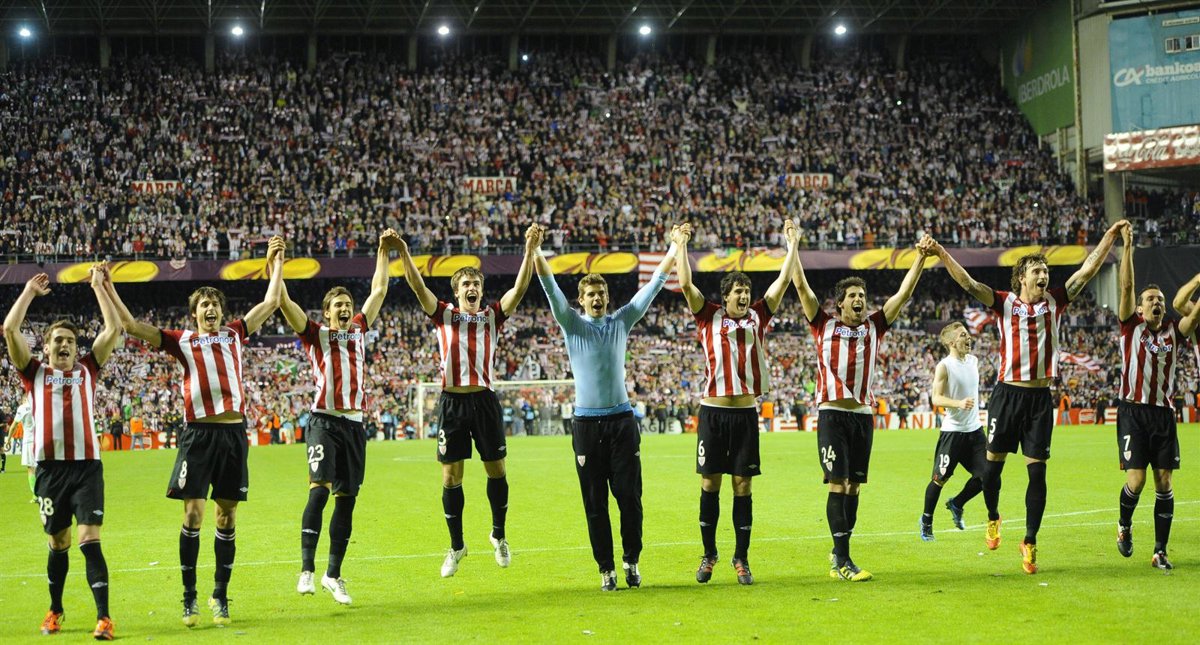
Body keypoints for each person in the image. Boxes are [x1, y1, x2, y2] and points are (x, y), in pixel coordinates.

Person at [928, 220, 1127, 574]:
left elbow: (1087, 270)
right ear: (1022, 277)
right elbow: (969, 283)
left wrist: (1110, 237)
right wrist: (942, 252)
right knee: (991, 470)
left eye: (1046, 271)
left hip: (1039, 400)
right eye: (1037, 270)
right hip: (1007, 395)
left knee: (1038, 474)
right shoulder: (1004, 303)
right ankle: (993, 516)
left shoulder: (1055, 301)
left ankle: (1030, 541)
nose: (1043, 275)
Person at [105, 237, 285, 625]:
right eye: (204, 304)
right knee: (192, 514)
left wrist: (276, 261)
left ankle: (220, 596)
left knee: (226, 517)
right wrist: (108, 286)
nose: (211, 308)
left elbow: (271, 302)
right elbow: (131, 326)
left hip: (233, 435)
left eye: (215, 303)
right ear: (194, 314)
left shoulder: (235, 333)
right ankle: (189, 598)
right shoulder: (182, 341)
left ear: (221, 311)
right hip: (198, 436)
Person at [536, 222, 681, 591]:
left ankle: (631, 560)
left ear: (607, 297)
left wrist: (674, 247)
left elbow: (653, 286)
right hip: (586, 425)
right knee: (595, 503)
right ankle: (606, 568)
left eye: (601, 292)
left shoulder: (621, 321)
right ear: (581, 300)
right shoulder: (571, 324)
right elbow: (550, 288)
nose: (597, 298)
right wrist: (535, 250)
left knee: (630, 498)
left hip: (621, 421)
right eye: (591, 294)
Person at [395, 224, 542, 577]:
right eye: (466, 284)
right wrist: (403, 251)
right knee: (450, 477)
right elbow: (417, 285)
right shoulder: (443, 314)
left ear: (481, 290)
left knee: (497, 470)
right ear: (457, 291)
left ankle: (499, 535)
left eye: (476, 283)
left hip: (485, 402)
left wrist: (529, 251)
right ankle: (457, 545)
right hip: (452, 403)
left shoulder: (492, 316)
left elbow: (520, 288)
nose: (472, 288)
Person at [792, 236, 933, 582]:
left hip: (862, 417)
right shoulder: (822, 324)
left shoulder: (874, 326)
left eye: (862, 296)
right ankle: (843, 561)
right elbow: (801, 286)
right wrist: (792, 245)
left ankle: (839, 552)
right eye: (853, 296)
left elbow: (903, 294)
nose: (859, 300)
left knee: (854, 488)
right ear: (840, 303)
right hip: (831, 415)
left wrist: (920, 258)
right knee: (837, 485)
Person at [673, 219, 798, 585]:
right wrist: (680, 244)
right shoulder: (708, 315)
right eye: (738, 291)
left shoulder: (759, 314)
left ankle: (741, 558)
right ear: (725, 296)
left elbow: (783, 281)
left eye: (747, 291)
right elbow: (685, 284)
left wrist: (792, 244)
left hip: (744, 413)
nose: (744, 296)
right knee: (710, 483)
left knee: (743, 485)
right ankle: (709, 553)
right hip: (713, 412)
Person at [281, 229, 401, 604]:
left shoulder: (360, 329)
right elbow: (284, 303)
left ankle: (333, 575)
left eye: (348, 303)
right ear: (327, 313)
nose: (346, 308)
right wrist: (276, 264)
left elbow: (379, 290)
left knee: (346, 501)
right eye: (339, 305)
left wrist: (382, 251)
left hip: (354, 425)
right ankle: (306, 569)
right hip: (323, 421)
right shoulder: (315, 335)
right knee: (318, 492)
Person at [4, 265, 123, 640]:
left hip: (87, 470)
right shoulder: (33, 373)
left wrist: (99, 287)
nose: (65, 345)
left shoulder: (89, 369)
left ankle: (104, 618)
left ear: (76, 347)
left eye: (70, 340)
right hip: (49, 472)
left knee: (89, 541)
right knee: (58, 543)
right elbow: (9, 329)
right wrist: (28, 292)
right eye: (58, 340)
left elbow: (113, 329)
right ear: (46, 347)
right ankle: (55, 610)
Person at [1114, 231, 1200, 570]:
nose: (1156, 302)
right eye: (1150, 299)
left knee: (1164, 481)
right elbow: (1125, 287)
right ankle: (1124, 525)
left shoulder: (1175, 332)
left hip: (1163, 414)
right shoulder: (1130, 326)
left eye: (1160, 299)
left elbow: (1193, 314)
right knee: (1136, 481)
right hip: (1133, 412)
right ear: (1139, 307)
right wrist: (1128, 247)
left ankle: (1160, 551)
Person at [919, 322, 997, 542]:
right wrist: (958, 403)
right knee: (939, 479)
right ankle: (926, 521)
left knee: (987, 476)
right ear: (952, 342)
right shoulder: (944, 366)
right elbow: (936, 398)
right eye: (963, 335)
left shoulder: (973, 361)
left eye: (968, 334)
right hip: (952, 434)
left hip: (975, 432)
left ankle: (957, 503)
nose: (968, 338)